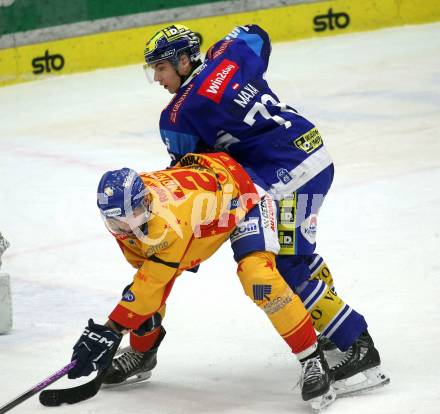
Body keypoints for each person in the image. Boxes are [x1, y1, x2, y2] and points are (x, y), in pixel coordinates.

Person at [142, 23, 389, 395]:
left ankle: (359, 345)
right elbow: (256, 33)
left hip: (285, 178)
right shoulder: (229, 55)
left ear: (181, 60)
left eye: (160, 67)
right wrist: (221, 52)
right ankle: (331, 327)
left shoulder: (179, 114)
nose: (157, 78)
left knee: (283, 267)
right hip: (313, 152)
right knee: (296, 256)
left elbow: (192, 176)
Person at [69, 152, 334, 410]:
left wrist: (111, 329)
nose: (128, 228)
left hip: (245, 197)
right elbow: (147, 287)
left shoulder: (166, 224)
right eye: (116, 222)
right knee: (142, 300)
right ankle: (142, 354)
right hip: (207, 195)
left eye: (133, 217)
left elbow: (151, 285)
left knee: (258, 279)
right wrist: (118, 325)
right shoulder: (135, 212)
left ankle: (312, 358)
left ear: (146, 202)